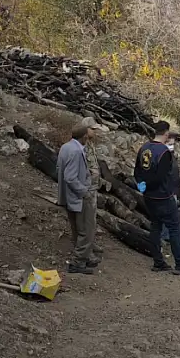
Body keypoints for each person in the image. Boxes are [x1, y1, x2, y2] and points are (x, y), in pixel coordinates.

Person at [134, 121, 180, 277]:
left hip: (148, 196)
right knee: (174, 228)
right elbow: (161, 176)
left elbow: (137, 171)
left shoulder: (144, 148)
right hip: (163, 196)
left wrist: (143, 186)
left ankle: (158, 261)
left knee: (155, 226)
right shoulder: (164, 152)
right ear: (167, 133)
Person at [58, 123, 98, 275]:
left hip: (68, 196)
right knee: (86, 231)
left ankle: (83, 257)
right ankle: (78, 262)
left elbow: (59, 170)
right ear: (84, 137)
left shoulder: (65, 147)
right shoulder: (76, 151)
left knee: (77, 228)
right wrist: (84, 192)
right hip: (79, 197)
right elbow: (70, 177)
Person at [79, 117, 107, 262]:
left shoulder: (89, 144)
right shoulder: (80, 147)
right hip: (86, 189)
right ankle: (85, 252)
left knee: (92, 221)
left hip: (93, 187)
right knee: (86, 223)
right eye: (93, 129)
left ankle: (91, 244)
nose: (95, 132)